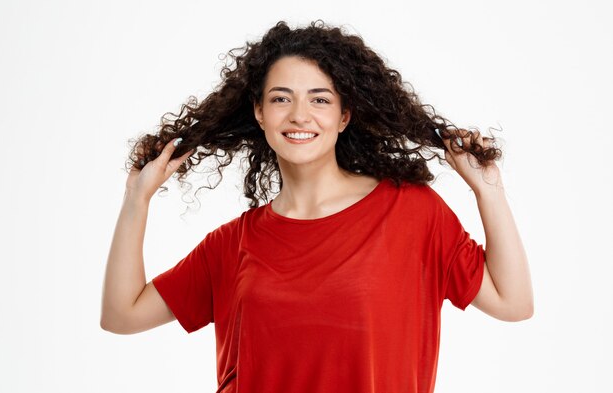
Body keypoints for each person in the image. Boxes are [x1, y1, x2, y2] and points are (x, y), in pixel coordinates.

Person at [101, 20, 534, 393]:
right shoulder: (233, 244)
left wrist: (488, 191)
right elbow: (122, 315)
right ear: (259, 112)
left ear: (344, 116)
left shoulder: (412, 213)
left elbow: (512, 303)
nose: (299, 115)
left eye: (320, 99)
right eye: (281, 98)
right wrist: (136, 200)